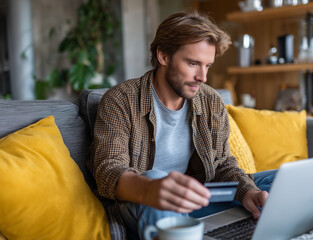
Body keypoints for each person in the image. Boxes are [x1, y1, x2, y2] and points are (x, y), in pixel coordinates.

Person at [89, 11, 276, 240]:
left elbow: (222, 165)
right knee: (156, 177)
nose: (203, 77)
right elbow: (108, 169)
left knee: (277, 181)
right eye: (193, 63)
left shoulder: (211, 101)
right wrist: (151, 188)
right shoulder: (121, 100)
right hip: (143, 201)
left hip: (195, 200)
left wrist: (248, 192)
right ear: (163, 56)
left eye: (207, 66)